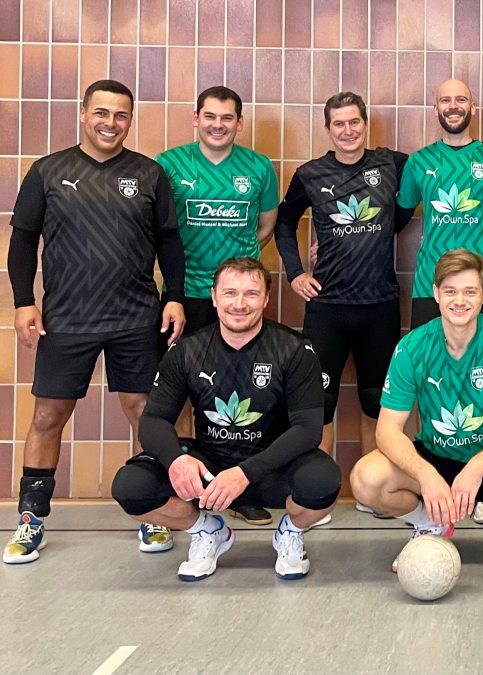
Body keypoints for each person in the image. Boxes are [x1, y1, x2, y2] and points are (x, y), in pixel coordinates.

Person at [4, 79, 186, 564]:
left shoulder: (149, 174)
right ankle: (31, 518)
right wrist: (23, 301)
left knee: (145, 413)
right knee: (47, 416)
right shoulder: (48, 171)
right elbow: (23, 241)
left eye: (121, 115)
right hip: (67, 318)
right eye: (102, 113)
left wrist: (174, 297)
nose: (111, 123)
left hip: (136, 317)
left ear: (130, 120)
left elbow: (170, 242)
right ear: (83, 114)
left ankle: (153, 511)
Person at [111, 258, 340, 581]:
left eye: (251, 294)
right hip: (210, 467)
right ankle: (207, 531)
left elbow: (308, 430)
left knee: (323, 483)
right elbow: (154, 420)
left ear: (265, 299)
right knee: (131, 487)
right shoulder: (187, 351)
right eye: (230, 293)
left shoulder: (294, 350)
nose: (239, 304)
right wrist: (176, 460)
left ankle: (290, 533)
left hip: (272, 467)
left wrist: (245, 473)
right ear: (214, 297)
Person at [350, 250, 483, 579]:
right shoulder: (412, 347)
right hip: (436, 460)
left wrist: (478, 465)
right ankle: (429, 524)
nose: (460, 301)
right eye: (450, 291)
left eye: (469, 291)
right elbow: (387, 430)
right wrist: (425, 474)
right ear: (435, 294)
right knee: (366, 478)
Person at [275, 92, 415, 479]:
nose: (348, 130)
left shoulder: (391, 163)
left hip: (379, 308)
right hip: (327, 309)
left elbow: (437, 164)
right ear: (328, 129)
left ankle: (375, 487)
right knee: (318, 405)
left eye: (355, 122)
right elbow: (284, 223)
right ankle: (318, 490)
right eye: (339, 123)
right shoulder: (310, 173)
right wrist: (295, 273)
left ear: (365, 124)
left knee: (377, 405)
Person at [157, 85, 280, 526]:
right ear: (196, 119)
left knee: (244, 392)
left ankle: (239, 487)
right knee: (182, 391)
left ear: (239, 123)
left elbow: (266, 226)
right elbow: (159, 229)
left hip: (239, 298)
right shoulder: (168, 164)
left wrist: (234, 275)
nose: (218, 125)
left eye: (227, 118)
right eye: (209, 116)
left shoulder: (258, 167)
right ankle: (188, 486)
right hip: (185, 295)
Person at [396, 79, 483, 524]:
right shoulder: (419, 162)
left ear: (472, 107)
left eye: (460, 99)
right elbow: (396, 215)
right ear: (435, 108)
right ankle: (429, 485)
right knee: (423, 387)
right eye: (445, 99)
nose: (453, 106)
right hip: (431, 292)